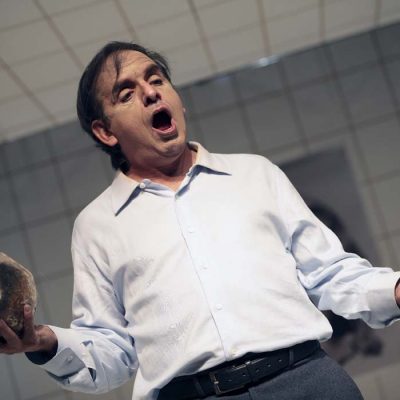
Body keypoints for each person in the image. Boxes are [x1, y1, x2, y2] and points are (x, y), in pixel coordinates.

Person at [1, 41, 400, 400]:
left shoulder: (255, 174)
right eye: (127, 93)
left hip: (308, 381)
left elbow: (332, 274)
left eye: (156, 79)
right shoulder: (97, 226)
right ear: (105, 132)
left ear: (178, 101)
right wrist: (44, 342)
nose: (150, 92)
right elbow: (111, 352)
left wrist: (395, 290)